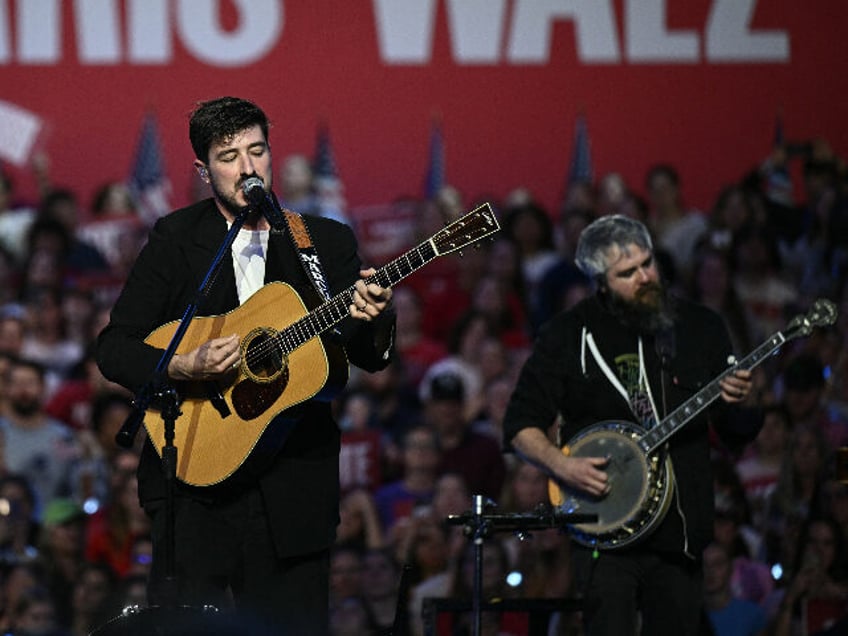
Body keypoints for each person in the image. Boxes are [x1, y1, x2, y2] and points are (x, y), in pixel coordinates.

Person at [95, 96, 395, 635]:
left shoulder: (321, 241)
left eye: (257, 150)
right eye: (229, 155)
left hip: (293, 491)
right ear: (203, 171)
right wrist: (183, 365)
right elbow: (115, 347)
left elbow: (366, 354)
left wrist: (375, 315)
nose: (248, 166)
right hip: (195, 485)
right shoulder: (175, 239)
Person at [501, 214, 755, 636]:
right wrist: (562, 466)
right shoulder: (566, 335)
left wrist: (744, 401)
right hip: (604, 533)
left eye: (647, 264)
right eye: (626, 273)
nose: (644, 277)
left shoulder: (701, 327)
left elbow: (737, 434)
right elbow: (520, 424)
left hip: (681, 534)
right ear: (600, 281)